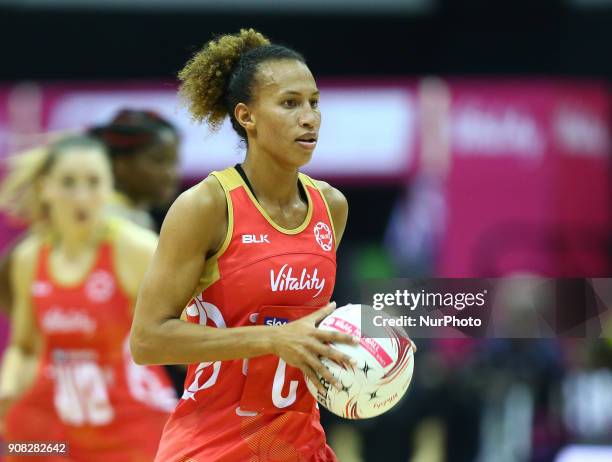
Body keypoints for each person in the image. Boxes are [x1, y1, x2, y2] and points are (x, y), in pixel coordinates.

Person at [130, 29, 361, 462]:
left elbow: (303, 333)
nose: (309, 117)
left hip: (297, 445)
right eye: (290, 103)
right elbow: (147, 340)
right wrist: (272, 341)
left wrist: (360, 356)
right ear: (247, 116)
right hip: (213, 445)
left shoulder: (332, 206)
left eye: (314, 102)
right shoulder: (206, 205)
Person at [0, 135, 177, 461]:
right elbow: (24, 348)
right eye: (68, 183)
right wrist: (7, 388)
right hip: (63, 433)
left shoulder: (136, 249)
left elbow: (186, 331)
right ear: (45, 188)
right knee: (18, 446)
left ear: (109, 187)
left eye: (94, 182)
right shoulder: (29, 258)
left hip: (136, 430)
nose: (81, 196)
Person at [88, 109, 180, 231]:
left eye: (174, 161)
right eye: (159, 160)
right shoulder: (108, 221)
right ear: (120, 164)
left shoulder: (139, 217)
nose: (171, 174)